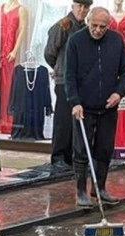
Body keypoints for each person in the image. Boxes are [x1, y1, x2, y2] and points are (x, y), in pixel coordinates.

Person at [65, 7, 125, 208]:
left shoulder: (116, 40)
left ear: (108, 25)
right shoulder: (75, 41)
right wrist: (74, 101)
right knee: (81, 150)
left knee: (104, 149)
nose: (98, 30)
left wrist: (118, 93)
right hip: (83, 107)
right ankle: (81, 191)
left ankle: (100, 188)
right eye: (94, 25)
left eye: (102, 27)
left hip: (108, 107)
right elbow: (69, 76)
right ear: (88, 22)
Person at [44, 0, 91, 171]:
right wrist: (60, 69)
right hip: (64, 80)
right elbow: (50, 52)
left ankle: (70, 155)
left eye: (86, 7)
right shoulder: (64, 25)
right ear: (73, 6)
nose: (83, 10)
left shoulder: (86, 28)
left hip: (80, 82)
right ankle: (58, 156)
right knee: (63, 120)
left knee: (75, 120)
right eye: (80, 6)